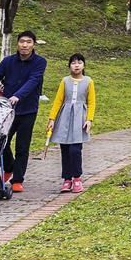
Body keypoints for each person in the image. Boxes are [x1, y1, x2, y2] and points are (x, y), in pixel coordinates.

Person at [0, 30, 46, 193]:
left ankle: (17, 179)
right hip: (7, 110)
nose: (25, 45)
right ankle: (9, 167)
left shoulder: (40, 62)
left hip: (28, 109)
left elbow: (33, 80)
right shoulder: (8, 61)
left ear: (33, 44)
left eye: (28, 42)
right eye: (22, 41)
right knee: (1, 141)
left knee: (22, 145)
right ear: (17, 43)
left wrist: (18, 96)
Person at [46, 54, 96, 194]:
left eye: (79, 62)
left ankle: (77, 178)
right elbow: (58, 100)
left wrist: (89, 119)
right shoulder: (65, 81)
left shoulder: (88, 81)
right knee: (65, 149)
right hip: (64, 117)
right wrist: (52, 118)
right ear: (69, 66)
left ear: (84, 65)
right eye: (73, 63)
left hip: (80, 118)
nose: (76, 65)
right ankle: (67, 179)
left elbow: (91, 102)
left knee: (75, 149)